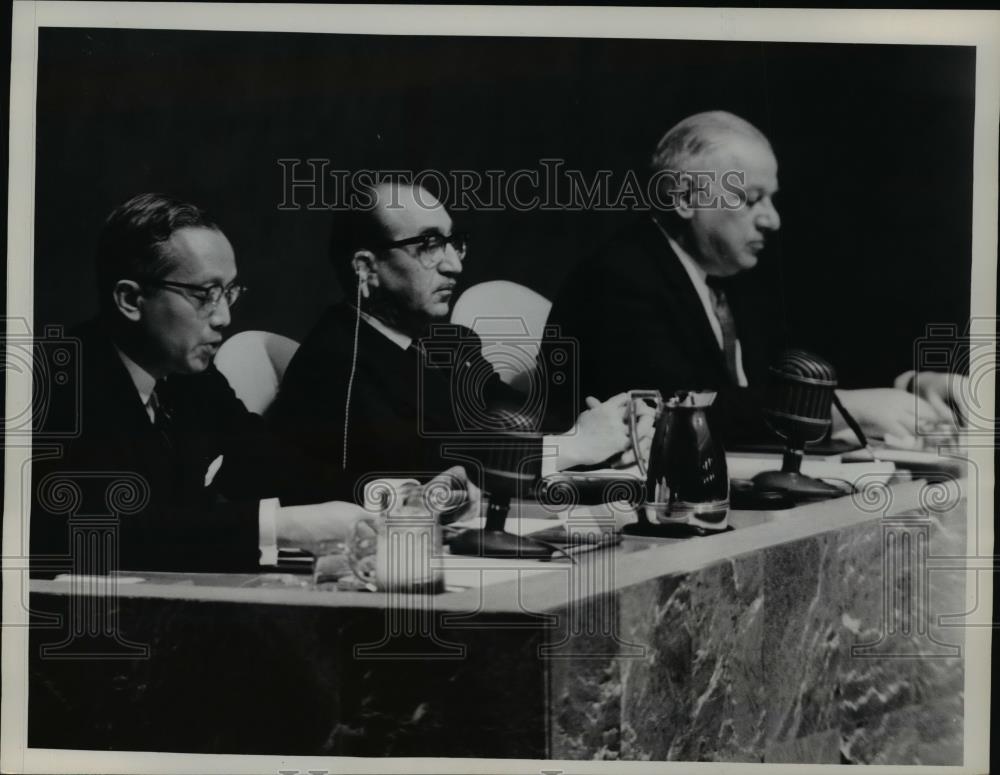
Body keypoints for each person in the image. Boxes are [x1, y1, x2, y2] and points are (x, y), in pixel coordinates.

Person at [30, 193, 478, 575]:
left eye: (228, 293)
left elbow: (272, 462)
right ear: (130, 299)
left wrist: (400, 494)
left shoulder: (189, 377)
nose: (224, 317)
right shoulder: (58, 383)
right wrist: (279, 527)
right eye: (204, 295)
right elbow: (105, 531)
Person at [545, 110, 968, 446]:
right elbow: (675, 408)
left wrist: (910, 385)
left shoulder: (727, 278)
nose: (773, 220)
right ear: (684, 199)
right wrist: (843, 409)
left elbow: (794, 372)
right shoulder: (617, 278)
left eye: (772, 198)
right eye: (752, 200)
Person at [270, 181, 647, 496]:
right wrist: (572, 445)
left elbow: (522, 419)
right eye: (430, 245)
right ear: (366, 268)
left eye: (453, 243)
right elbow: (423, 470)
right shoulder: (333, 364)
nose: (455, 265)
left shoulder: (451, 343)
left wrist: (610, 427)